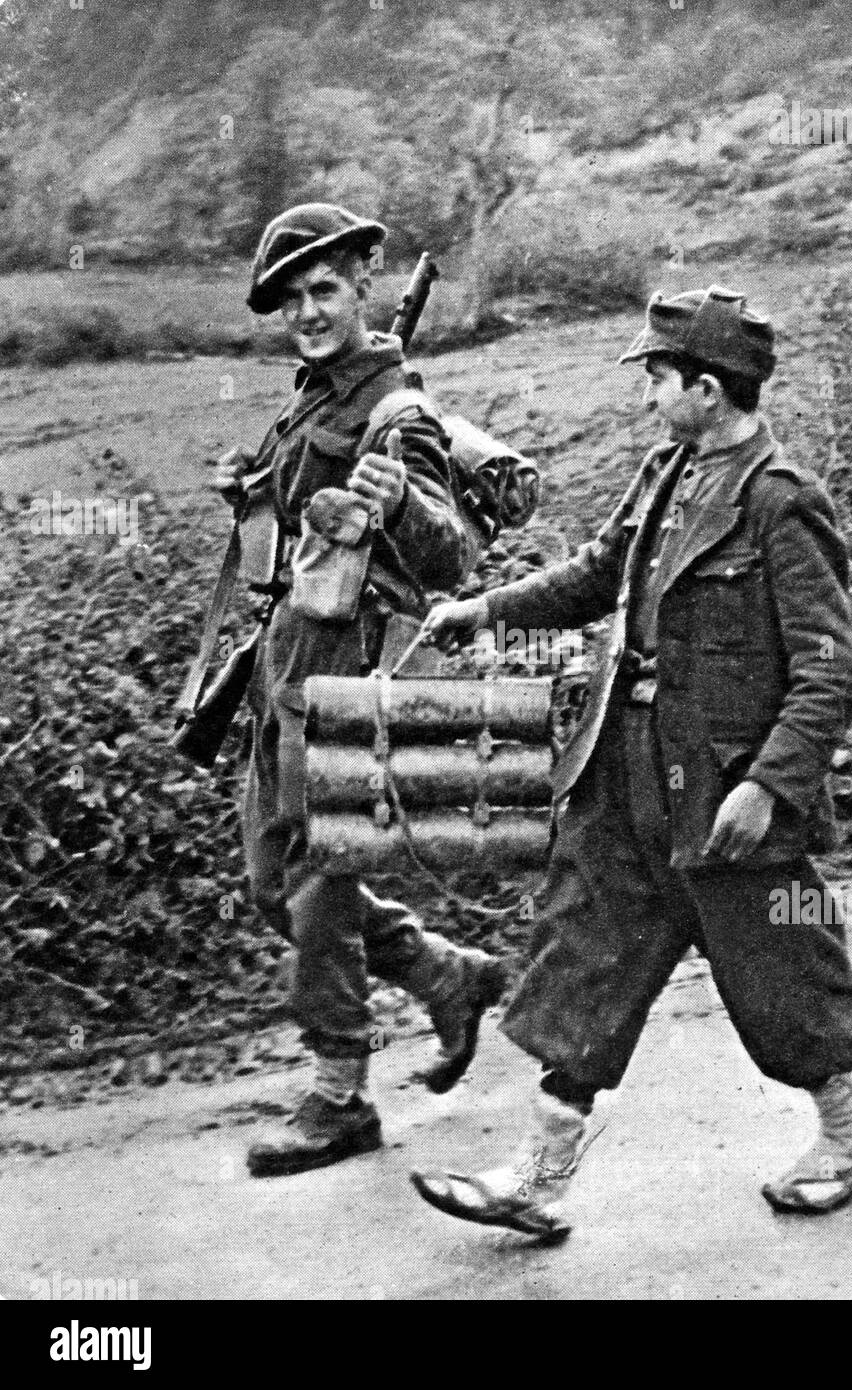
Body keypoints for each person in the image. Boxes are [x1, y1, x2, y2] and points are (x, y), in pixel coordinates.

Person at [411, 285, 852, 1240]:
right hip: (622, 766)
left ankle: (848, 1132)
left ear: (709, 390)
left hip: (721, 792)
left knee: (774, 973)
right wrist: (486, 608)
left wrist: (768, 783)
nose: (647, 396)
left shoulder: (779, 504)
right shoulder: (663, 472)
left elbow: (830, 667)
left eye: (660, 379)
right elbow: (596, 574)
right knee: (588, 958)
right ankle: (537, 1179)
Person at [210, 203, 504, 1178]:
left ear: (360, 287)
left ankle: (339, 1092)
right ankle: (441, 972)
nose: (306, 309)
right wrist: (251, 489)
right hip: (284, 667)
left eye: (323, 289)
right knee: (269, 881)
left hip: (351, 674)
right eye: (291, 298)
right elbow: (282, 523)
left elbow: (452, 552)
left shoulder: (395, 410)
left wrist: (395, 504)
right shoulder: (313, 399)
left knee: (315, 886)